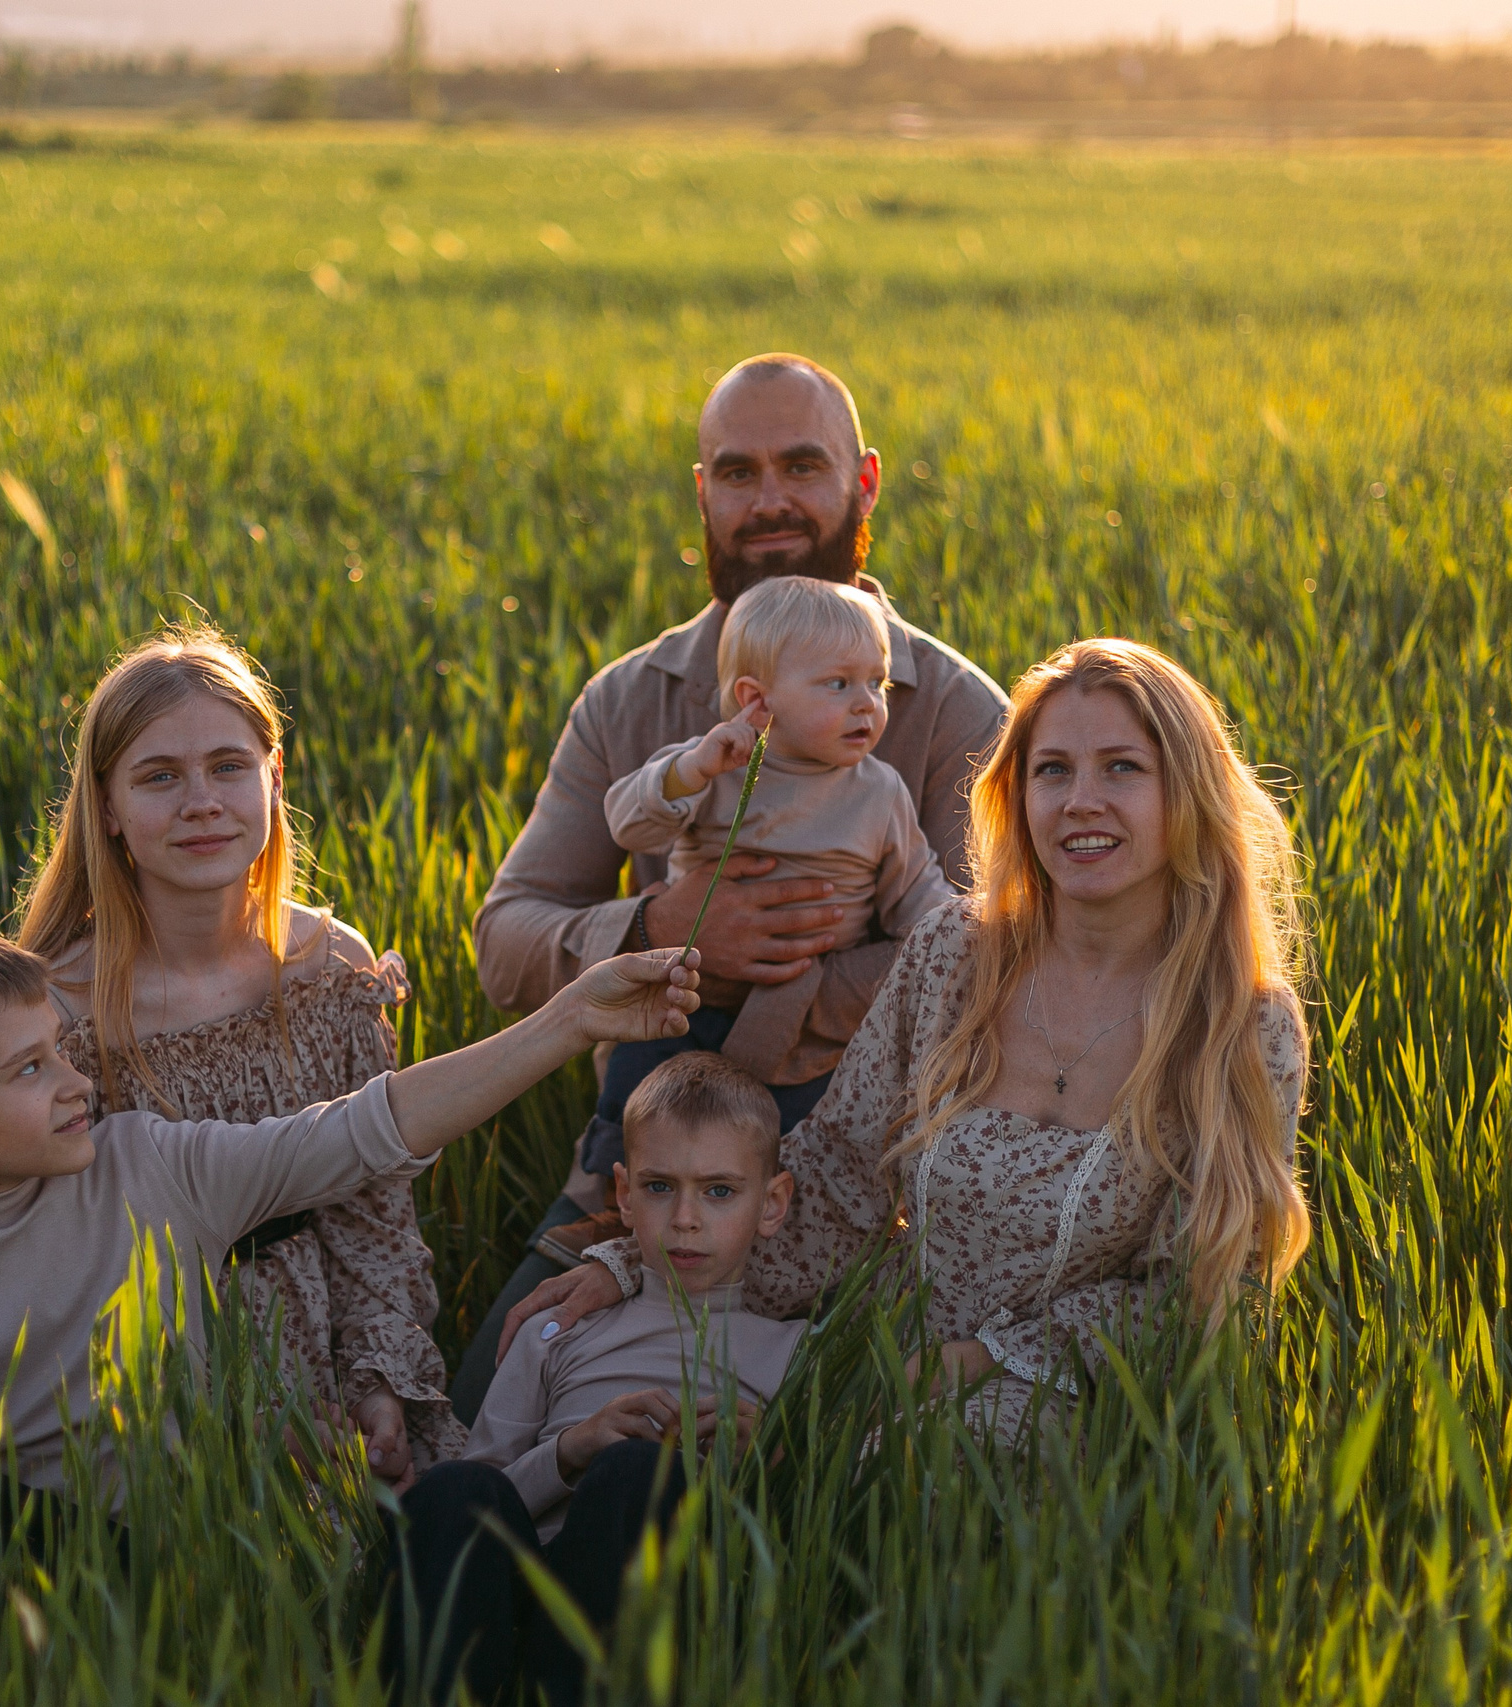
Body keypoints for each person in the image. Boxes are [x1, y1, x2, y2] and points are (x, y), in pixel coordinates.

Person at [0, 925, 699, 1593]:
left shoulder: (147, 1166)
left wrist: (567, 1022)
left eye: (60, 1050)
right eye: (27, 1070)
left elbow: (370, 1125)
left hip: (135, 1559)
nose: (73, 1081)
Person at [504, 639, 1312, 1441]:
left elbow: (1201, 1289)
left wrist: (974, 1361)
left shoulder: (1242, 1025)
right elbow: (836, 1178)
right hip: (872, 1359)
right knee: (653, 1440)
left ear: (1191, 791)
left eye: (1123, 768)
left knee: (906, 1482)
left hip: (1065, 1401)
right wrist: (635, 1271)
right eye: (1053, 769)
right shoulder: (952, 953)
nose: (1080, 801)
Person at [460, 352, 1009, 1419]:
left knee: (841, 1447)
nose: (768, 503)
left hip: (866, 1171)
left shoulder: (949, 709)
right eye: (736, 471)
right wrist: (660, 929)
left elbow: (988, 959)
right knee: (495, 1389)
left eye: (801, 467)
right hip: (646, 1177)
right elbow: (506, 941)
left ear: (864, 483)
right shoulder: (633, 699)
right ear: (701, 492)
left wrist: (782, 987)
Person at [17, 627, 460, 1486]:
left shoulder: (331, 968)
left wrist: (377, 1385)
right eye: (158, 777)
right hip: (149, 1402)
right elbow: (59, 1267)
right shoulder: (56, 1008)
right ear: (105, 806)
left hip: (333, 1369)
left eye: (228, 766)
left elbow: (375, 1223)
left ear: (274, 776)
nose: (201, 802)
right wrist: (230, 1421)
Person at [384, 1052, 802, 1705]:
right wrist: (572, 1449)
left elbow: (806, 1527)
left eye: (719, 1190)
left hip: (671, 1585)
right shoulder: (561, 1328)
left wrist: (769, 1455)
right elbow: (486, 1482)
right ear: (623, 1194)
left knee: (639, 1470)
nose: (686, 1217)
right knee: (451, 1486)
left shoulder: (793, 1349)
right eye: (660, 1186)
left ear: (772, 1202)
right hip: (524, 1580)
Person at [592, 574, 950, 1166]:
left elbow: (916, 891)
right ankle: (624, 1195)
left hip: (805, 1027)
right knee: (645, 1109)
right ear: (757, 698)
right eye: (838, 684)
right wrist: (688, 771)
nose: (867, 702)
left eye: (876, 682)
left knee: (793, 1141)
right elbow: (630, 825)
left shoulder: (879, 791)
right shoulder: (719, 767)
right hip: (685, 999)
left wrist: (966, 932)